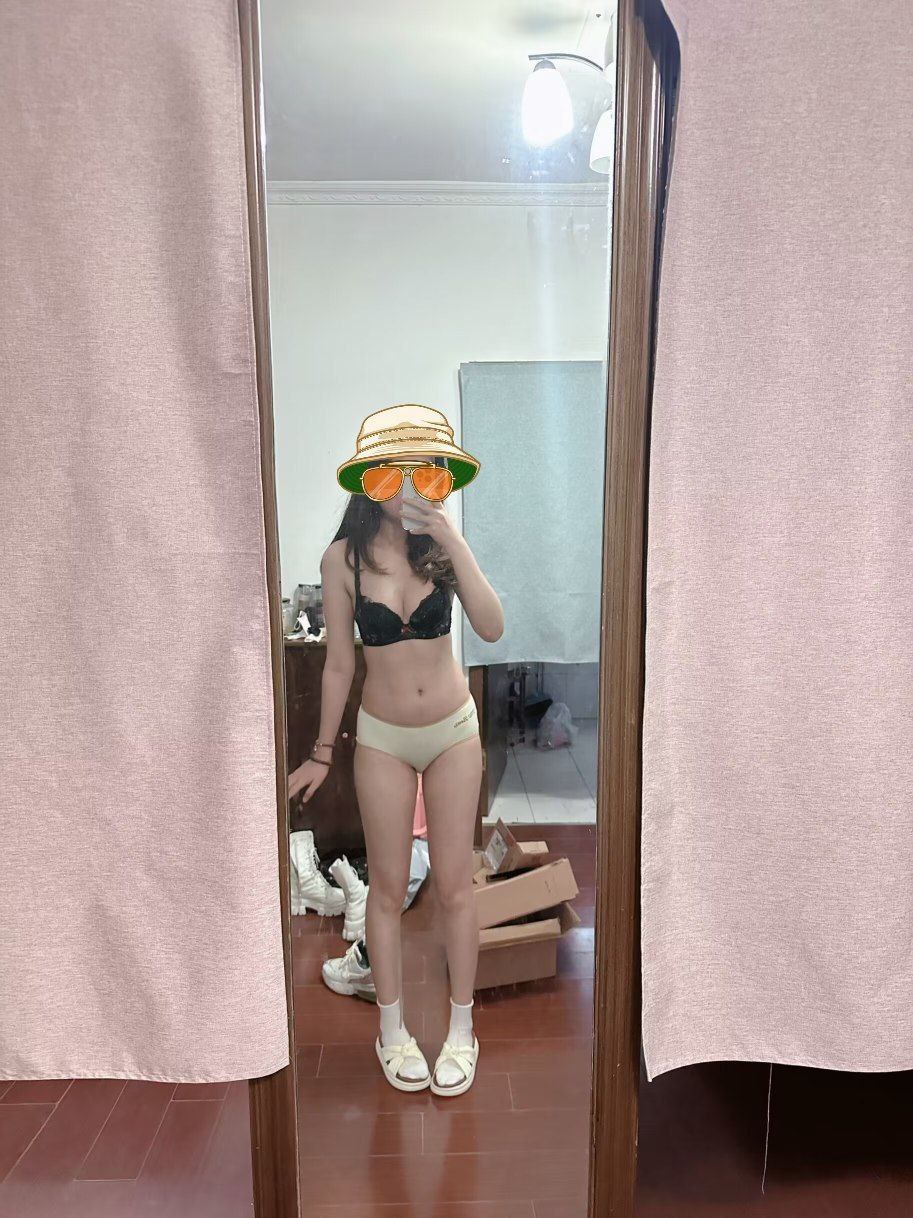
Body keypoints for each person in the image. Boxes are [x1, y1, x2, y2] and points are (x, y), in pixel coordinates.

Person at [288, 404, 503, 1096]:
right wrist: (322, 752)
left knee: (453, 887)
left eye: (423, 471)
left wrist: (452, 539)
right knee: (384, 889)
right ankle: (392, 1032)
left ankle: (462, 1031)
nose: (408, 485)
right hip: (382, 736)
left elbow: (492, 628)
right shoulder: (341, 560)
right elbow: (339, 665)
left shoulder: (441, 547)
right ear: (369, 480)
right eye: (393, 471)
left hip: (452, 732)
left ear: (437, 478)